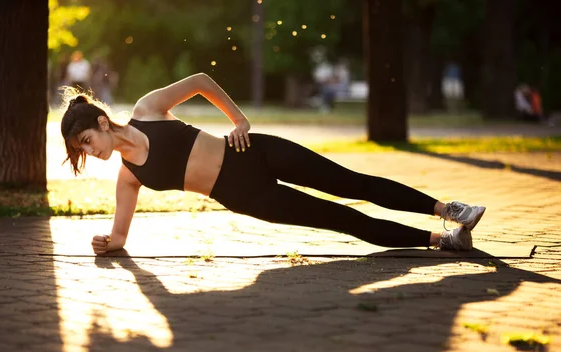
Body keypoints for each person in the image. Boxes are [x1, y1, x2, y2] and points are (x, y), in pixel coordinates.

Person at [60, 73, 486, 255]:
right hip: (249, 196)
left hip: (252, 151)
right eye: (83, 151)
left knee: (352, 183)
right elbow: (119, 235)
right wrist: (108, 243)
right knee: (342, 220)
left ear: (101, 122)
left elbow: (201, 83)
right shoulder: (128, 177)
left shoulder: (147, 109)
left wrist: (239, 120)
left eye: (86, 142)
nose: (91, 152)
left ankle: (451, 210)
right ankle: (443, 241)